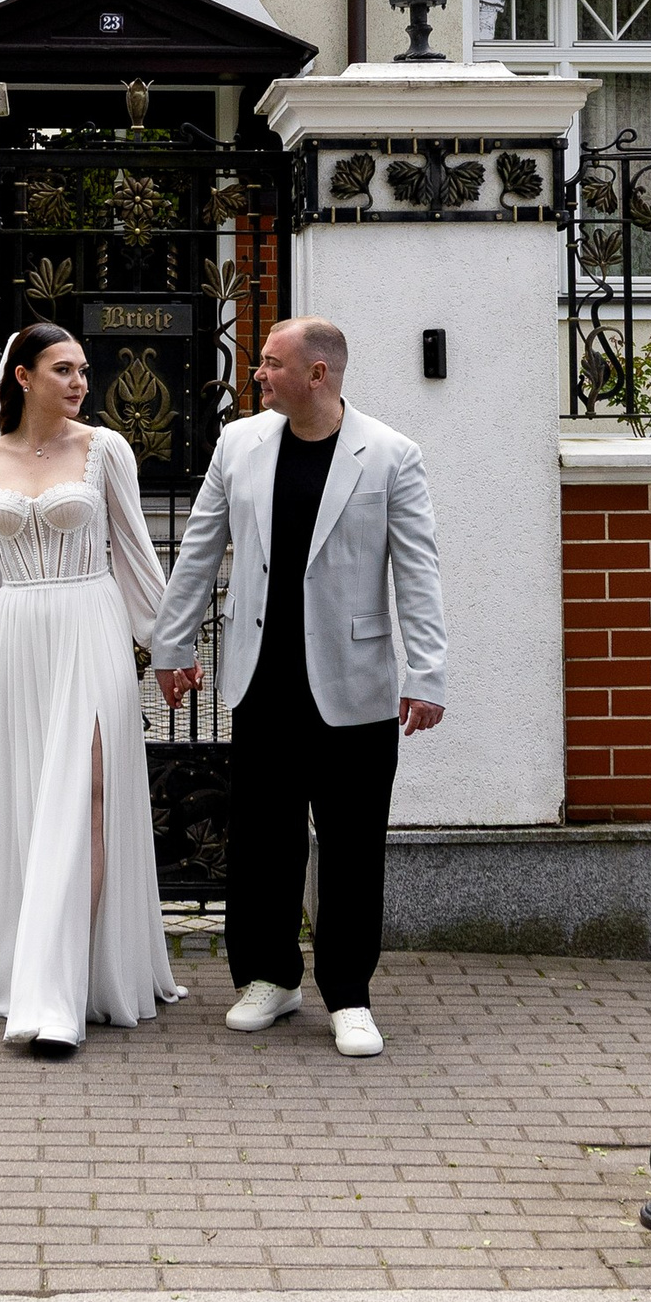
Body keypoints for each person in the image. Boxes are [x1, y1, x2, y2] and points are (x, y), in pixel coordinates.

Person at [151, 317, 446, 1059]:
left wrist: (427, 672)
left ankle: (348, 994)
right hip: (261, 679)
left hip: (355, 685)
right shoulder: (239, 445)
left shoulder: (390, 456)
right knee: (262, 842)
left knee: (351, 846)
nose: (259, 374)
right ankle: (268, 978)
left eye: (272, 363)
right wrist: (172, 644)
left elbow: (417, 573)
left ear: (319, 374)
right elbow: (200, 549)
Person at [0, 323, 180, 1057]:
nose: (79, 383)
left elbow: (137, 555)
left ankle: (62, 991)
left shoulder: (106, 450)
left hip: (91, 626)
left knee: (90, 795)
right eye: (62, 369)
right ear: (22, 377)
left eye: (83, 370)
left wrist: (168, 647)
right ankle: (23, 969)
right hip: (17, 635)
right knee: (25, 800)